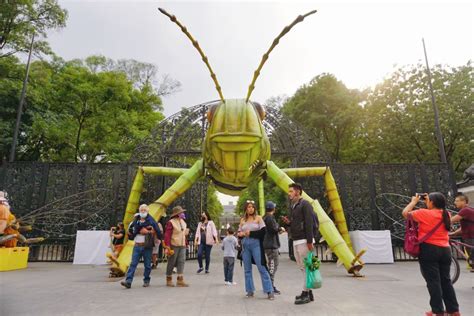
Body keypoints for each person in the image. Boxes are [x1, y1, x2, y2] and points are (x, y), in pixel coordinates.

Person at [402, 192, 460, 316]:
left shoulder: (424, 213)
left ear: (432, 202)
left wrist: (413, 202)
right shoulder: (446, 214)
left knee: (433, 281)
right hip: (445, 250)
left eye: (428, 200)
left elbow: (405, 213)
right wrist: (428, 201)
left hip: (429, 250)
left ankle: (437, 310)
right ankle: (453, 310)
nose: (426, 201)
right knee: (446, 280)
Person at [282, 183, 316, 305]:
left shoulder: (305, 204)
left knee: (307, 268)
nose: (289, 193)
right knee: (303, 267)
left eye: (291, 191)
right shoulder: (294, 206)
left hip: (304, 240)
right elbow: (296, 224)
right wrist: (288, 223)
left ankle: (305, 293)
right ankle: (309, 292)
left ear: (298, 192)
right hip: (297, 240)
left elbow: (309, 223)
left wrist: (309, 241)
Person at [237, 200, 274, 300]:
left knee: (262, 267)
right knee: (247, 269)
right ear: (246, 208)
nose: (250, 209)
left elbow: (263, 232)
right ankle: (250, 291)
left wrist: (251, 234)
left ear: (254, 208)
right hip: (245, 245)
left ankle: (269, 291)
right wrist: (240, 235)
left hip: (256, 244)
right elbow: (239, 232)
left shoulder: (258, 218)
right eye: (248, 207)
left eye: (252, 207)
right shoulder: (242, 220)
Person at [121, 204, 161, 289]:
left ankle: (146, 280)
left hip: (147, 246)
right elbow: (130, 232)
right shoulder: (135, 222)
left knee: (147, 265)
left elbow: (157, 232)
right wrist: (132, 233)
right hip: (137, 246)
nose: (143, 211)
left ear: (147, 211)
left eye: (144, 210)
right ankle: (128, 281)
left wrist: (147, 232)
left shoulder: (151, 221)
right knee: (133, 264)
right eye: (141, 210)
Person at [164, 206, 190, 287]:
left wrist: (186, 243)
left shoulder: (183, 222)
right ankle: (169, 279)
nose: (183, 213)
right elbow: (167, 235)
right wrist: (167, 246)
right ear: (177, 214)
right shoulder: (171, 222)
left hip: (182, 244)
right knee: (172, 262)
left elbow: (183, 234)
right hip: (173, 245)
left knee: (181, 261)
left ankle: (180, 279)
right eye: (181, 212)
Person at [450, 194, 474, 272]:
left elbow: (450, 220)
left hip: (471, 238)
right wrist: (453, 234)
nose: (454, 202)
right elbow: (462, 228)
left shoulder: (465, 210)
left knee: (472, 261)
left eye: (457, 201)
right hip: (470, 237)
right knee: (472, 262)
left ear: (463, 201)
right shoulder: (470, 209)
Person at [263, 200, 282, 294]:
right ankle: (270, 286)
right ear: (273, 208)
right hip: (271, 245)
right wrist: (279, 228)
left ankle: (269, 285)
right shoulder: (270, 218)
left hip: (267, 245)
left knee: (271, 265)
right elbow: (274, 229)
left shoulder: (265, 217)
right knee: (273, 265)